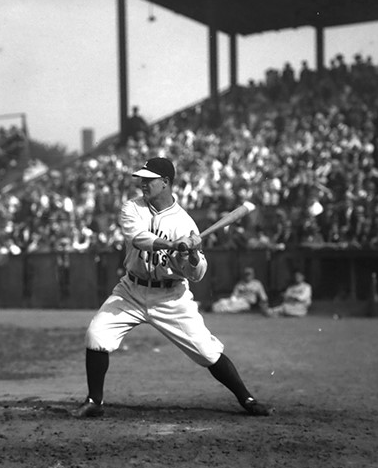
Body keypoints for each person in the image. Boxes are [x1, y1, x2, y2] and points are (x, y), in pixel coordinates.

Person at [73, 157, 273, 418]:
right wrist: (172, 245)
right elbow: (139, 238)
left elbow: (197, 273)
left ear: (165, 183)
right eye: (142, 179)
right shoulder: (132, 207)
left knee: (206, 351)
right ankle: (94, 401)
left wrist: (190, 254)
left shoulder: (186, 223)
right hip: (131, 290)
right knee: (96, 334)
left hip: (170, 296)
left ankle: (247, 398)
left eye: (149, 180)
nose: (143, 184)